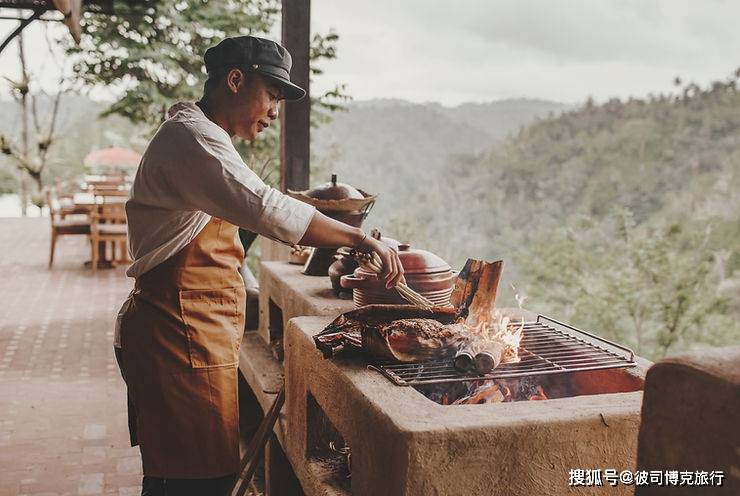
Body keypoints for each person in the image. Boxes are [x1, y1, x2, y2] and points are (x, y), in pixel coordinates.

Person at [114, 36, 403, 496]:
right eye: (271, 95)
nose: (273, 111)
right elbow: (267, 208)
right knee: (191, 484)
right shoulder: (193, 139)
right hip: (178, 333)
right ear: (235, 81)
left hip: (192, 329)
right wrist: (357, 236)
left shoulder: (203, 137)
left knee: (192, 476)